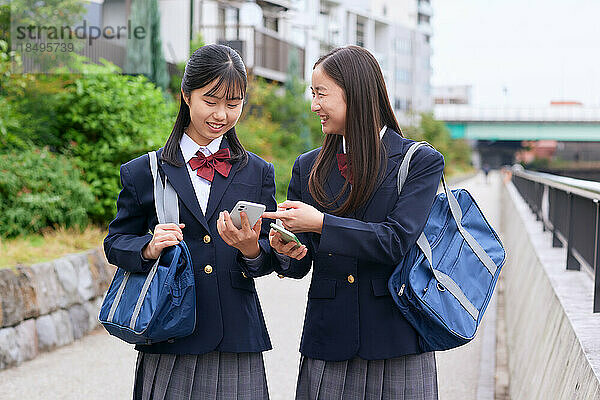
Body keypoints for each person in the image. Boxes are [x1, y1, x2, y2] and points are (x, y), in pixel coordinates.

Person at [263, 46, 445, 399]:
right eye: (312, 94)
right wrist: (289, 252)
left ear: (356, 92)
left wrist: (320, 224)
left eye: (321, 93)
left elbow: (395, 241)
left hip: (399, 339)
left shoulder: (420, 160)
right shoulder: (307, 166)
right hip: (329, 338)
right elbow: (303, 264)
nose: (313, 105)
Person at [103, 44, 276, 400]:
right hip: (169, 334)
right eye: (211, 101)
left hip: (237, 337)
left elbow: (268, 257)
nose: (221, 114)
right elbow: (115, 241)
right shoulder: (144, 172)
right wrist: (148, 247)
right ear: (186, 95)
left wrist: (252, 251)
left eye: (233, 103)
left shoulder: (257, 172)